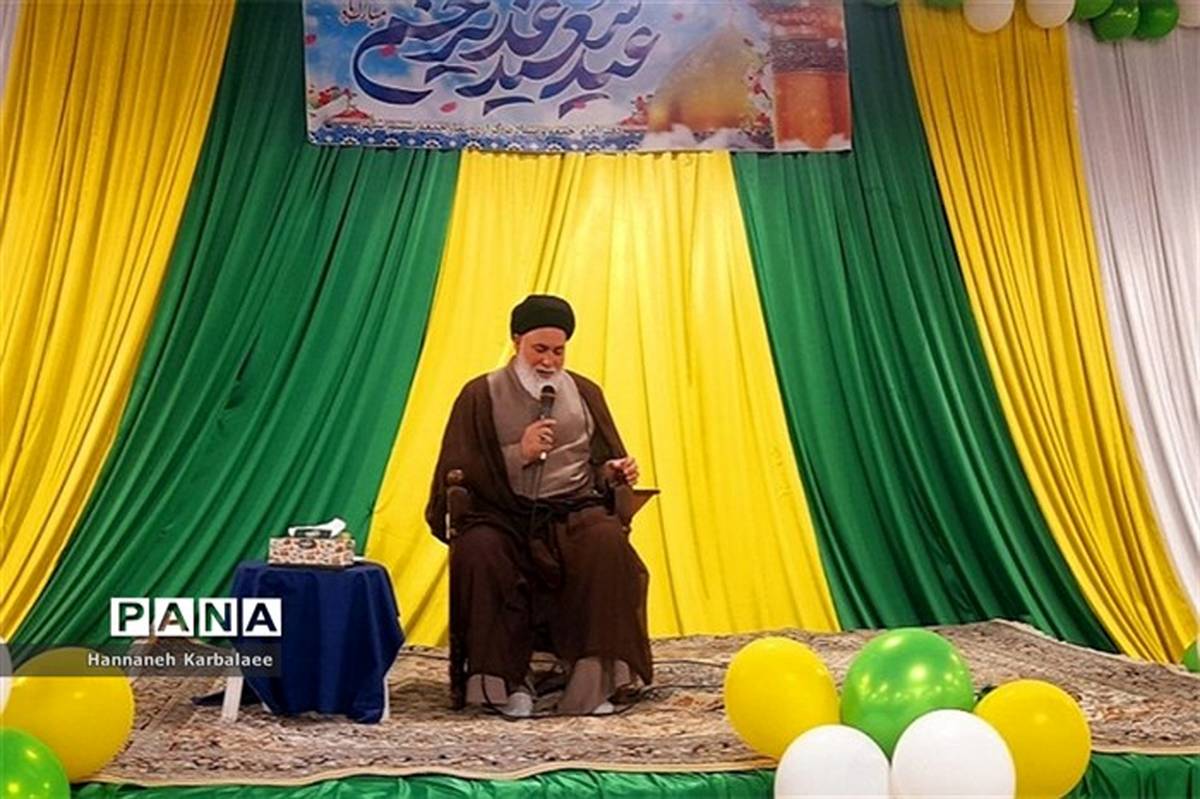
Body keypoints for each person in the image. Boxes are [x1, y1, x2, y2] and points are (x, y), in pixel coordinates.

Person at [425, 294, 653, 717]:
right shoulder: (480, 394)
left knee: (606, 543)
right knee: (480, 550)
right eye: (540, 350)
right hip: (500, 513)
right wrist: (520, 453)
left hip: (572, 509)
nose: (549, 361)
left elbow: (599, 462)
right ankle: (506, 683)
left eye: (558, 351)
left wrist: (614, 471)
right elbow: (456, 471)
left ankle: (591, 684)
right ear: (516, 342)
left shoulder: (585, 392)